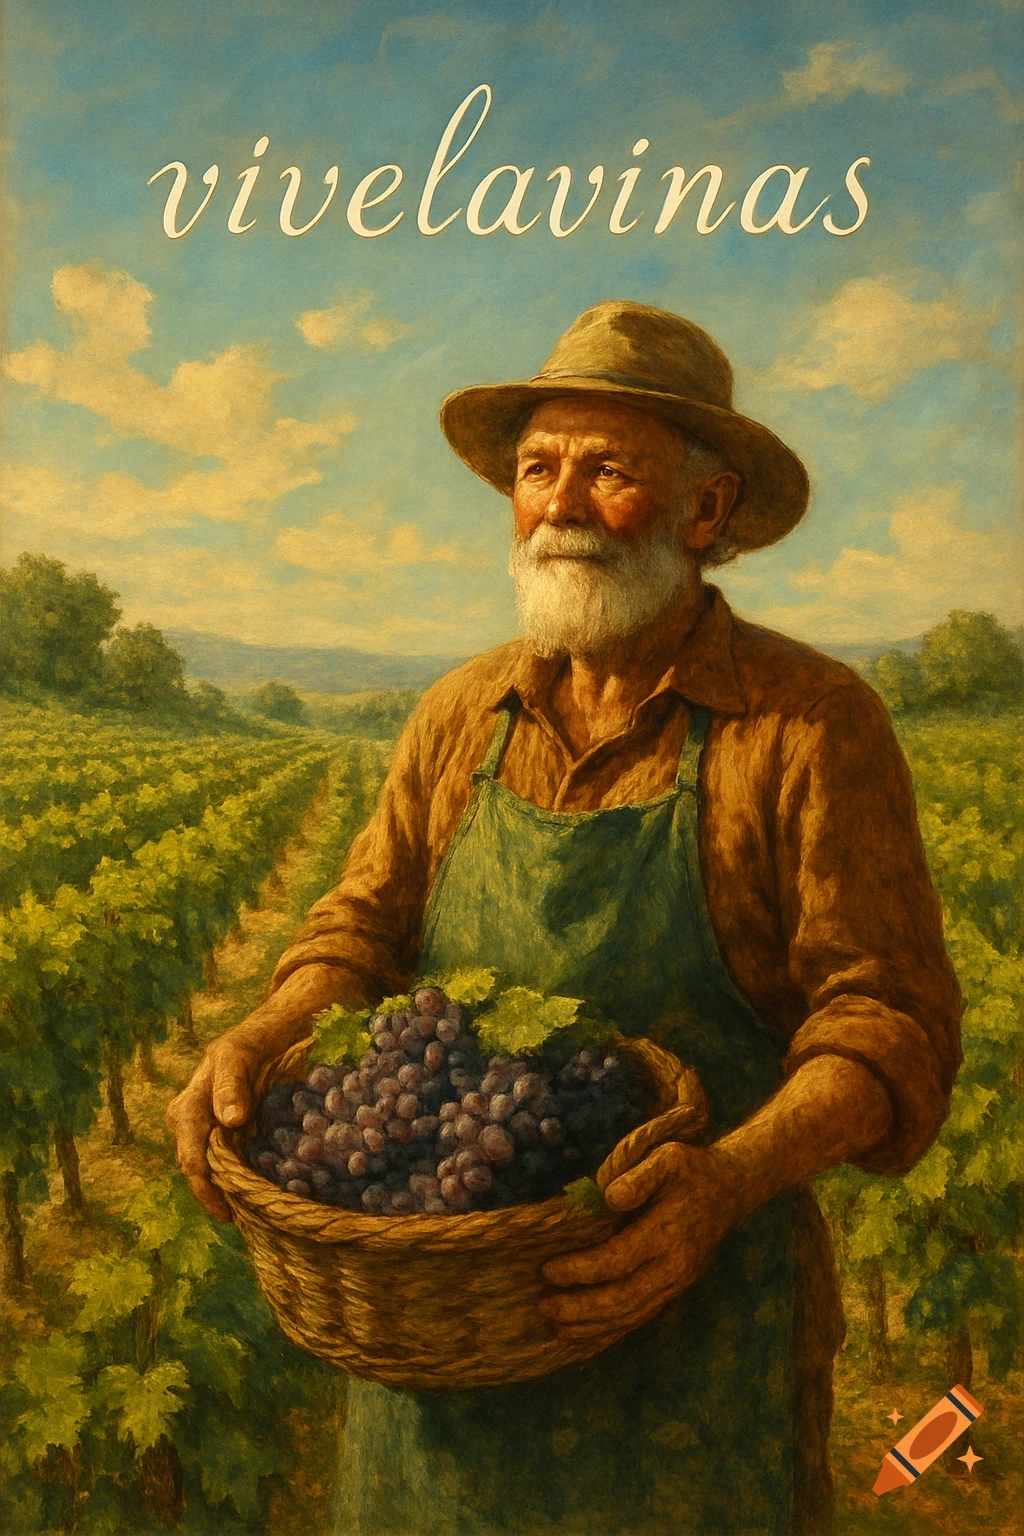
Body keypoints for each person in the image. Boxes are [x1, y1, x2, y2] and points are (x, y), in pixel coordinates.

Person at [167, 301, 963, 1536]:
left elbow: (888, 1022)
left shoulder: (810, 725)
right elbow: (359, 930)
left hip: (687, 1316)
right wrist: (267, 1030)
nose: (563, 504)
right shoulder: (458, 712)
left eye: (611, 471)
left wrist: (723, 1182)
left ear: (706, 512)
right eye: (538, 469)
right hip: (443, 1322)